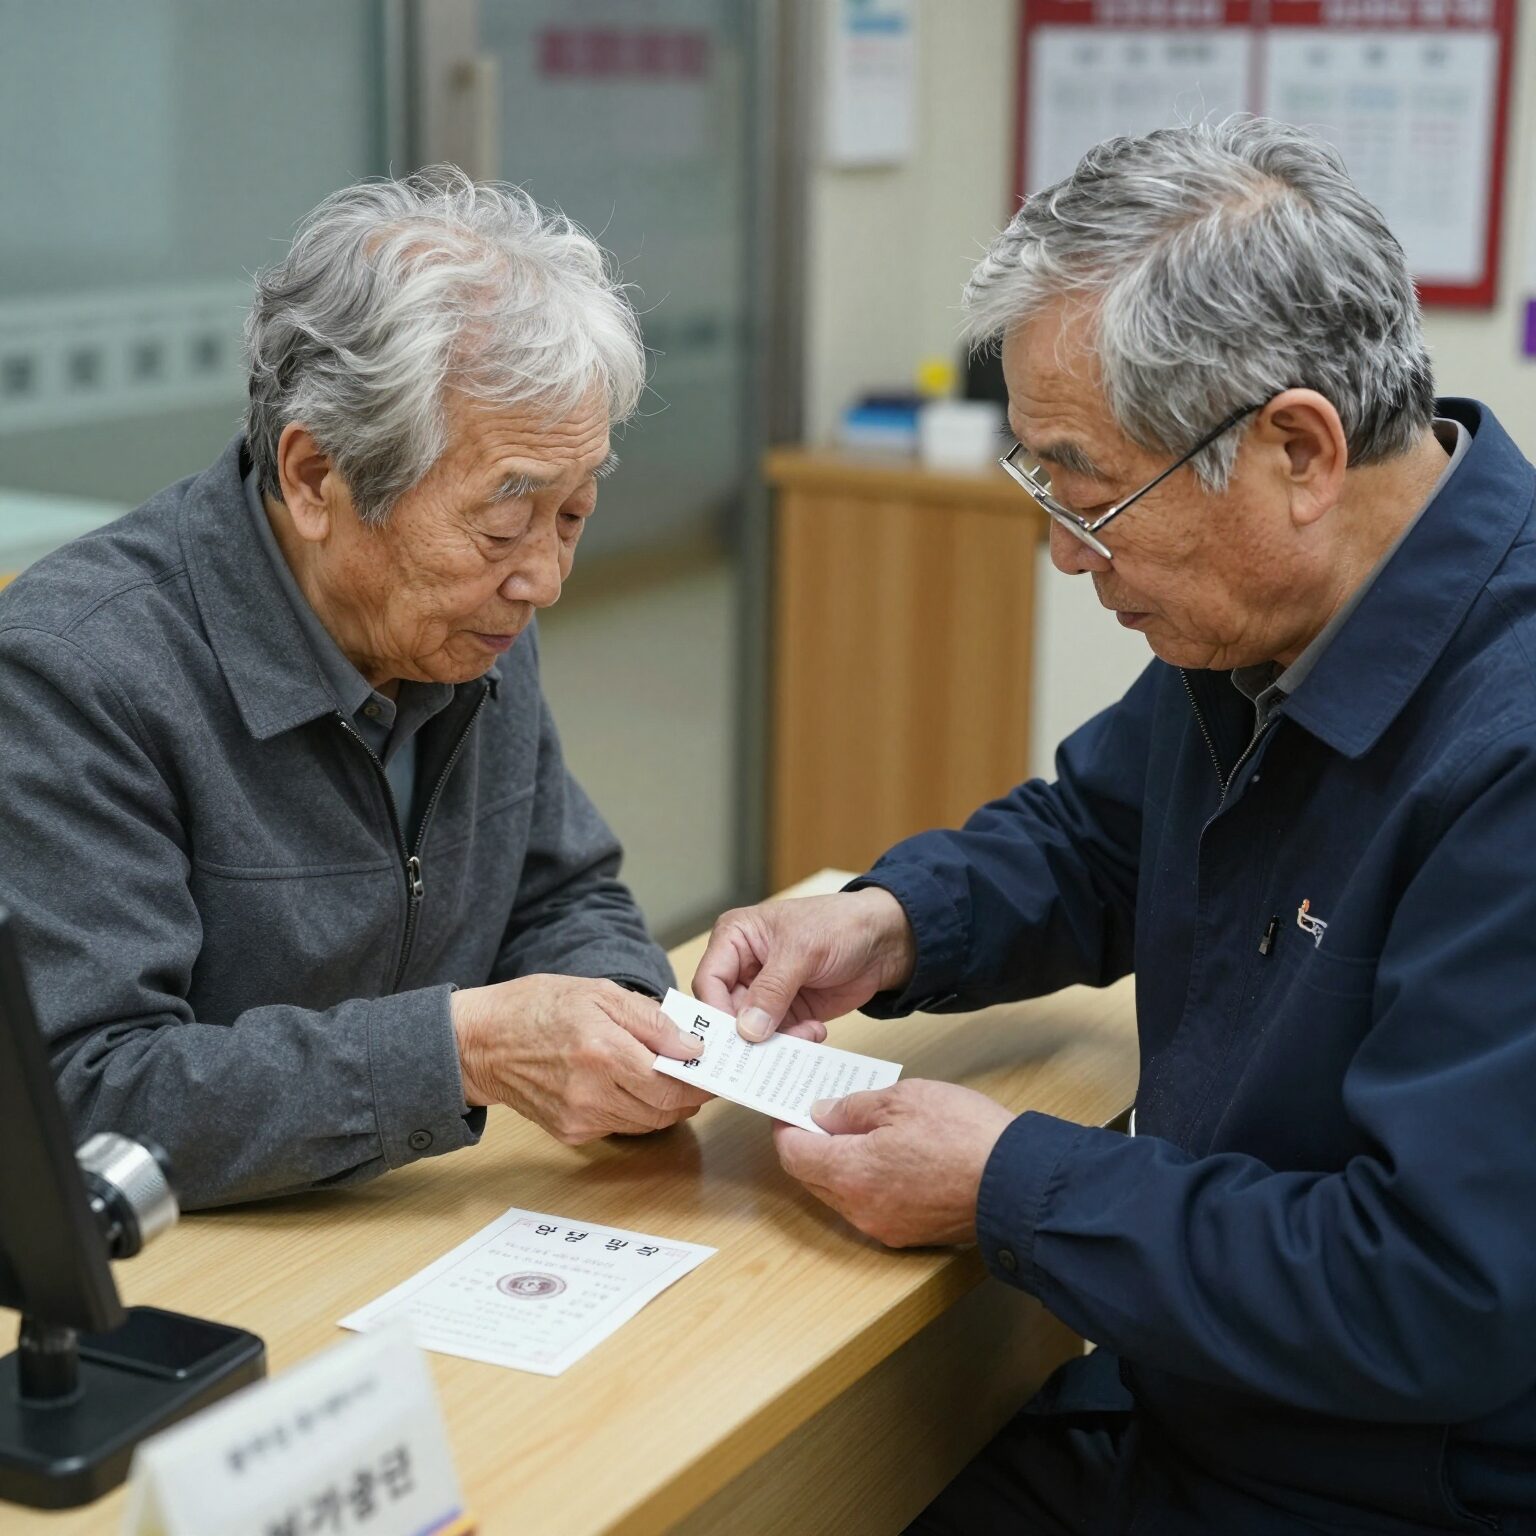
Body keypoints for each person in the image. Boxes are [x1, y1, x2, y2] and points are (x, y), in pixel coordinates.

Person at [695, 119, 1536, 1534]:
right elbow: (1096, 836)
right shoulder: (1274, 620)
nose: (1065, 552)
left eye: (1091, 492)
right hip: (1196, 1398)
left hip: (1381, 1486)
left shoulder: (1506, 749)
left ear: (1298, 450)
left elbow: (1435, 1286)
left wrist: (1009, 1182)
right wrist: (890, 919)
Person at [0, 168, 741, 1210]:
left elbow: (563, 890)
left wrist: (619, 1015)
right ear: (313, 479)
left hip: (421, 1212)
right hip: (206, 1279)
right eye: (502, 521)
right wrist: (466, 1052)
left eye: (573, 514)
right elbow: (88, 1096)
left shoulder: (464, 619)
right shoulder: (77, 671)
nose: (545, 580)